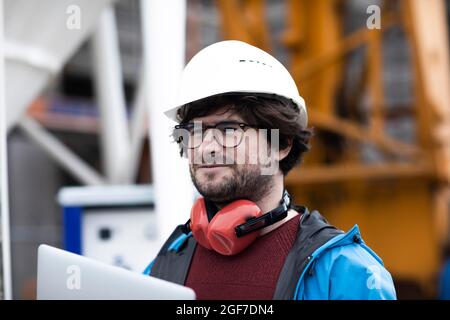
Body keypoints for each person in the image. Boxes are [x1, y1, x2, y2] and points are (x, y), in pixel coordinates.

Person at [144, 40, 397, 300]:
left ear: (281, 144)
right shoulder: (164, 266)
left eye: (228, 130)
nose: (207, 147)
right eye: (194, 132)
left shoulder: (343, 271)